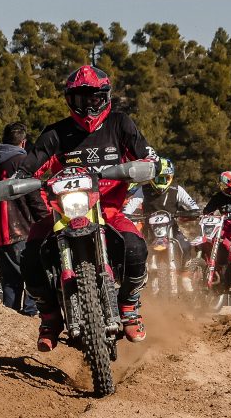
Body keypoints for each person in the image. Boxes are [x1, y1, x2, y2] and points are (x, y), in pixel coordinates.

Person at [18, 65, 158, 351]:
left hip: (108, 208)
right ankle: (49, 318)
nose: (88, 105)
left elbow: (147, 156)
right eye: (81, 99)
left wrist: (148, 166)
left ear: (105, 97)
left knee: (136, 247)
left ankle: (129, 306)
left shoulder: (120, 124)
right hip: (63, 212)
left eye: (94, 98)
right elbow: (30, 165)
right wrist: (21, 179)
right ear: (70, 101)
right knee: (30, 254)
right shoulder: (56, 133)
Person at [0, 122, 47, 316]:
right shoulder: (22, 162)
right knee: (34, 272)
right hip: (20, 229)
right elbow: (33, 196)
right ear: (23, 142)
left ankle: (11, 317)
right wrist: (45, 220)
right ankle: (29, 313)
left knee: (10, 279)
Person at [123, 158, 200, 291]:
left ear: (170, 178)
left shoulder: (177, 190)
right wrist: (127, 215)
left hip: (172, 230)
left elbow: (192, 205)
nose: (160, 182)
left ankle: (185, 275)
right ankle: (140, 281)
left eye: (164, 179)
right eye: (158, 179)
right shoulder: (143, 189)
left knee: (186, 244)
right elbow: (129, 207)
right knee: (136, 250)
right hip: (149, 232)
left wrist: (192, 212)